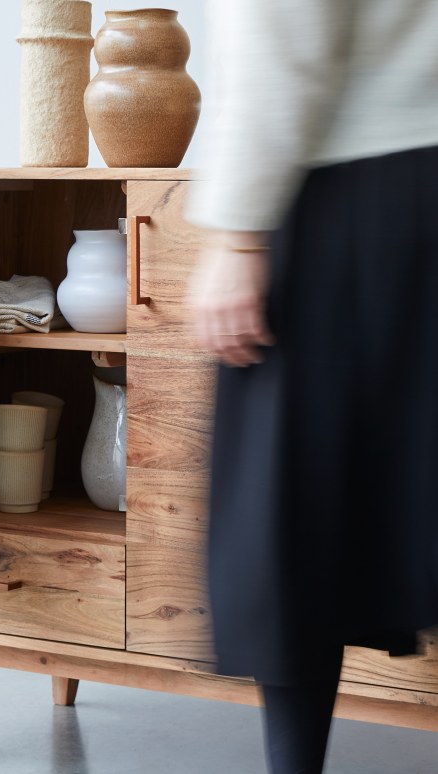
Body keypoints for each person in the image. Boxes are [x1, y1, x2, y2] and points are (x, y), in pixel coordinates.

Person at [185, 1, 438, 772]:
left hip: (342, 186)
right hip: (414, 181)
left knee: (284, 518)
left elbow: (281, 32)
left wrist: (237, 234)